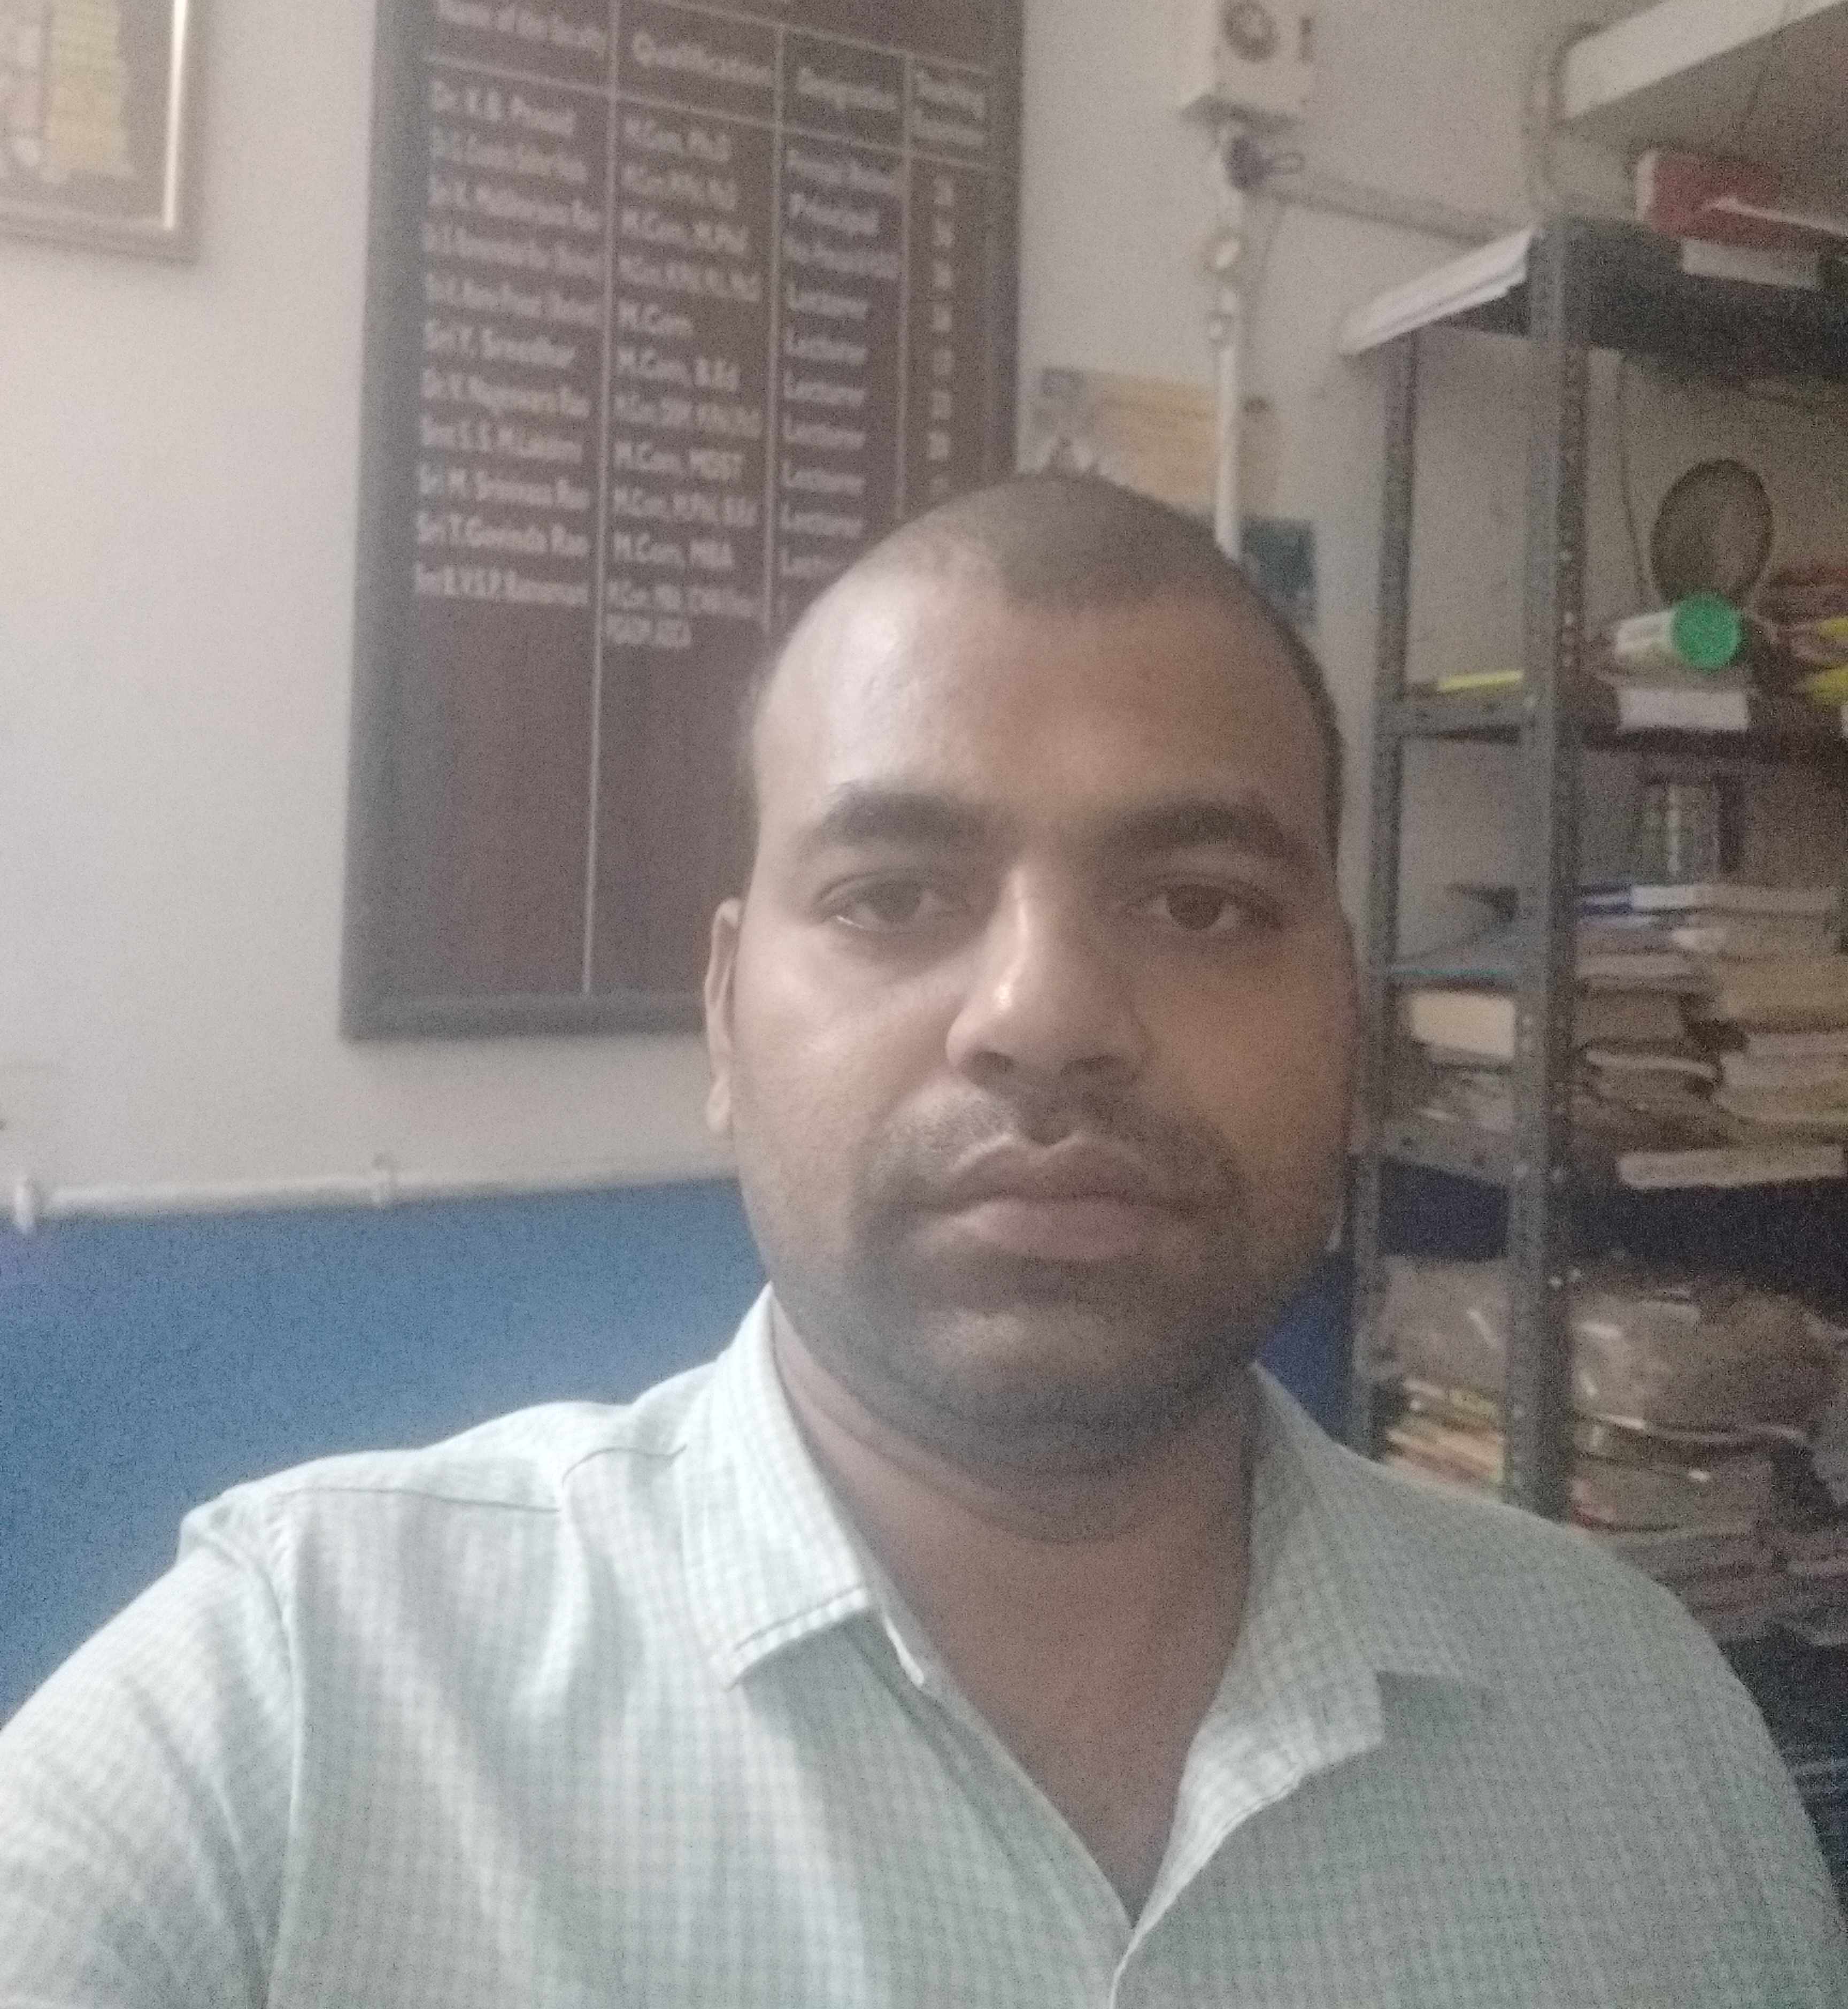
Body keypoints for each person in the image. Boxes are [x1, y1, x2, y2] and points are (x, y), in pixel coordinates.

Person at [1, 473, 1843, 2005]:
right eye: (893, 896)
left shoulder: (1642, 1728)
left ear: (1349, 1025)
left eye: (1203, 905)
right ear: (725, 1018)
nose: (1044, 1016)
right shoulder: (296, 1703)